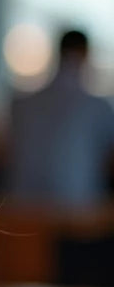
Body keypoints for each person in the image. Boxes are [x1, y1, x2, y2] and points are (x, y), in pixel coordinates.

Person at [7, 29, 114, 209]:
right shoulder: (97, 107)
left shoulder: (21, 104)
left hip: (23, 213)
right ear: (86, 56)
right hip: (78, 214)